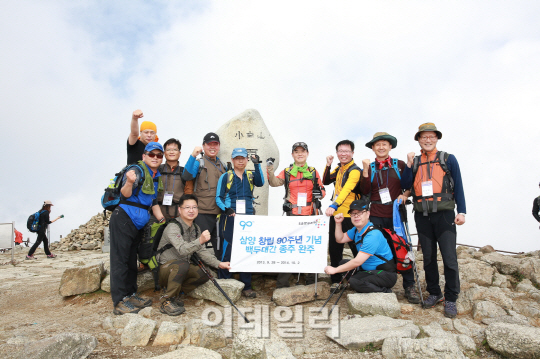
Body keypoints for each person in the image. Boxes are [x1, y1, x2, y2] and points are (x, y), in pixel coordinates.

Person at [408, 123, 466, 318]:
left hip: (445, 214)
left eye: (431, 136)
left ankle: (451, 297)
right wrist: (409, 165)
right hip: (422, 215)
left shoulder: (448, 159)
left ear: (437, 138)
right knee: (429, 258)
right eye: (424, 137)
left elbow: (458, 185)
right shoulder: (415, 162)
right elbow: (407, 185)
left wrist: (462, 211)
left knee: (449, 258)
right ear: (418, 140)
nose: (428, 140)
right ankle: (435, 293)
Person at [360, 132, 419, 303]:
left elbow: (409, 184)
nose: (381, 147)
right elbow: (364, 191)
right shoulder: (369, 167)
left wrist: (406, 194)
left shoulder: (399, 165)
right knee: (379, 251)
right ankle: (382, 281)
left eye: (384, 144)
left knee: (403, 248)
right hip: (376, 214)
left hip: (395, 214)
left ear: (390, 146)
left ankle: (410, 286)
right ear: (373, 148)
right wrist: (364, 171)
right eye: (377, 145)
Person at [109, 142, 165, 315]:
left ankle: (131, 294)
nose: (155, 158)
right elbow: (125, 194)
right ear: (144, 156)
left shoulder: (155, 175)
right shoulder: (138, 170)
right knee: (120, 260)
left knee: (131, 260)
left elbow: (152, 201)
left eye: (158, 155)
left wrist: (162, 219)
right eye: (151, 154)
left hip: (138, 222)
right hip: (124, 218)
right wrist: (130, 181)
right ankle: (119, 301)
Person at [156, 194, 231, 315]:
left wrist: (219, 264)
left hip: (181, 268)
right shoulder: (173, 227)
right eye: (187, 207)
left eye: (194, 207)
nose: (191, 210)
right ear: (180, 210)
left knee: (203, 273)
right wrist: (200, 240)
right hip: (165, 269)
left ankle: (176, 294)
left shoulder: (195, 228)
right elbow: (182, 250)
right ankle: (166, 301)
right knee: (183, 265)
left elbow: (201, 251)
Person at [267, 141, 326, 288]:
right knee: (290, 247)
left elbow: (322, 190)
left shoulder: (313, 171)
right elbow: (274, 183)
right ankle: (282, 283)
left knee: (310, 246)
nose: (300, 154)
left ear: (307, 153)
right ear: (292, 154)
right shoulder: (287, 172)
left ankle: (312, 280)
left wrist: (320, 194)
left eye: (303, 151)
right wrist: (270, 168)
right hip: (292, 214)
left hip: (311, 214)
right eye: (297, 151)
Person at [215, 148, 264, 298]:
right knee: (227, 247)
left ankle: (246, 285)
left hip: (248, 218)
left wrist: (257, 165)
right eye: (237, 158)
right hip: (231, 217)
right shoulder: (226, 176)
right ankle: (225, 281)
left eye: (243, 158)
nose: (240, 161)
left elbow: (261, 182)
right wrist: (226, 209)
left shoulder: (250, 175)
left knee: (246, 249)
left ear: (247, 159)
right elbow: (218, 198)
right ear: (232, 159)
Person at [324, 199, 397, 293]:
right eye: (353, 214)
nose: (356, 216)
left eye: (360, 213)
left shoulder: (373, 234)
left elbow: (357, 261)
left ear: (368, 213)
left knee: (355, 282)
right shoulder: (356, 230)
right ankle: (364, 281)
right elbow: (340, 239)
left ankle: (385, 291)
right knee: (343, 263)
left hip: (384, 273)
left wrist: (335, 270)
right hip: (367, 270)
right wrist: (338, 223)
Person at [323, 139, 361, 286]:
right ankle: (336, 280)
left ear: (352, 153)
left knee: (356, 247)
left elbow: (346, 190)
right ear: (337, 153)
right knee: (334, 248)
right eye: (340, 151)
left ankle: (362, 276)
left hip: (351, 215)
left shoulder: (355, 170)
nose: (343, 154)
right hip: (336, 214)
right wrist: (328, 164)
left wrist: (334, 205)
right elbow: (326, 180)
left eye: (346, 151)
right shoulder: (339, 169)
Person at [182, 133, 228, 255]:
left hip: (220, 213)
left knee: (220, 246)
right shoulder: (199, 163)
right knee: (198, 246)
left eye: (215, 144)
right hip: (202, 213)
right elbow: (186, 176)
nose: (212, 147)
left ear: (219, 146)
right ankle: (197, 272)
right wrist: (193, 155)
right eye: (209, 144)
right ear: (203, 146)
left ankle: (221, 272)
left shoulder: (223, 165)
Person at [154, 138, 193, 221]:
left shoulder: (185, 172)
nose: (171, 152)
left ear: (179, 153)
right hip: (157, 215)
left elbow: (188, 194)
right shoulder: (157, 170)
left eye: (175, 149)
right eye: (168, 149)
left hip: (178, 216)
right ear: (164, 153)